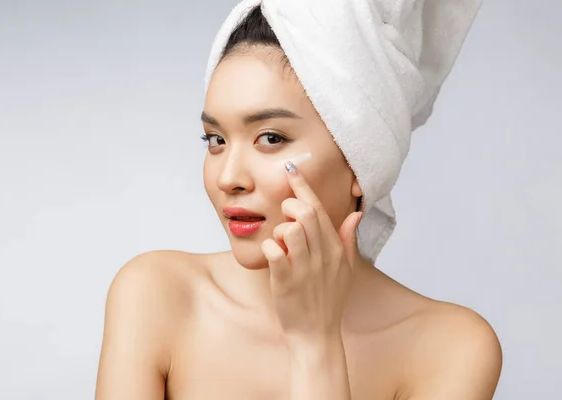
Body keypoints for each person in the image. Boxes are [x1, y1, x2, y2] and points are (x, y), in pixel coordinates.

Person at [95, 2, 502, 399]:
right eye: (215, 140)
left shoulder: (451, 348)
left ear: (360, 160)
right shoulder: (155, 295)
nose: (228, 177)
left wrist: (315, 344)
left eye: (271, 138)